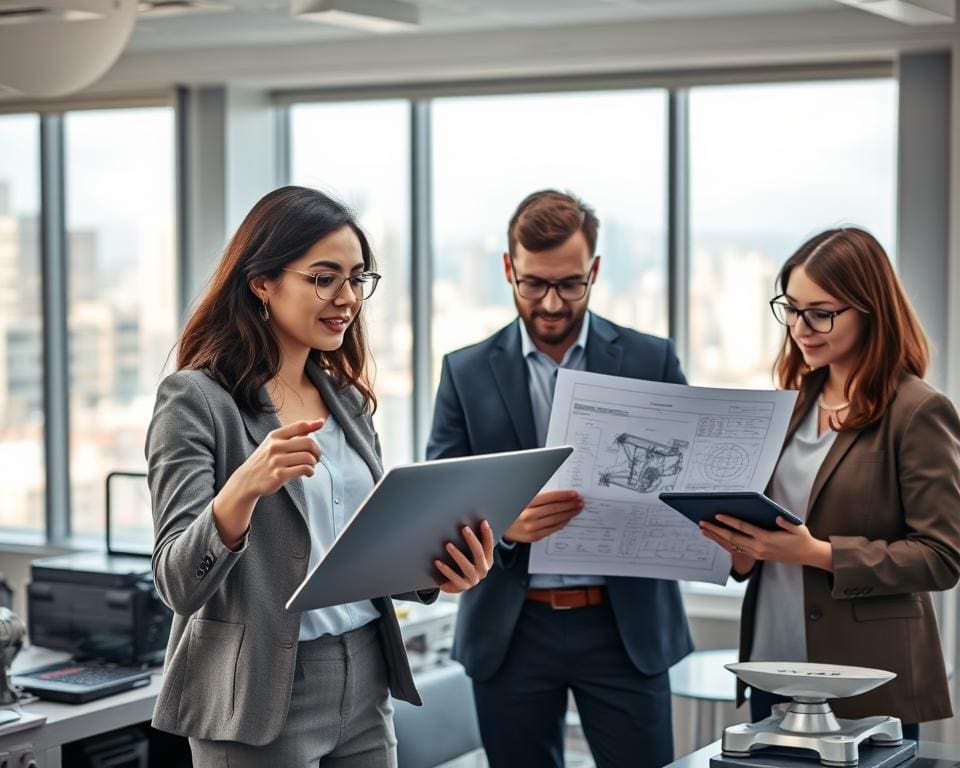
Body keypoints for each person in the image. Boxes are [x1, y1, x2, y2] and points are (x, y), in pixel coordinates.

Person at [146, 186, 494, 767]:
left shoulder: (347, 402)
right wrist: (242, 490)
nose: (347, 298)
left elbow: (354, 550)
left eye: (357, 279)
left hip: (365, 677)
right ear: (262, 282)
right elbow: (177, 582)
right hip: (258, 691)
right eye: (324, 278)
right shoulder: (197, 400)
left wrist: (441, 570)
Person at [427, 189, 692, 768]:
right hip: (511, 631)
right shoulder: (464, 372)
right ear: (508, 269)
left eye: (570, 284)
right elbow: (440, 506)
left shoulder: (652, 360)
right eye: (533, 284)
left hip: (624, 629)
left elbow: (688, 481)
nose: (551, 303)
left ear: (595, 271)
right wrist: (505, 525)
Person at [699, 227, 960, 740]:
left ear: (870, 309)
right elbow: (770, 531)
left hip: (863, 678)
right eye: (791, 309)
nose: (800, 327)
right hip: (773, 668)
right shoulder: (789, 406)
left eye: (820, 312)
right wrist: (740, 548)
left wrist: (818, 553)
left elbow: (942, 556)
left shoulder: (917, 411)